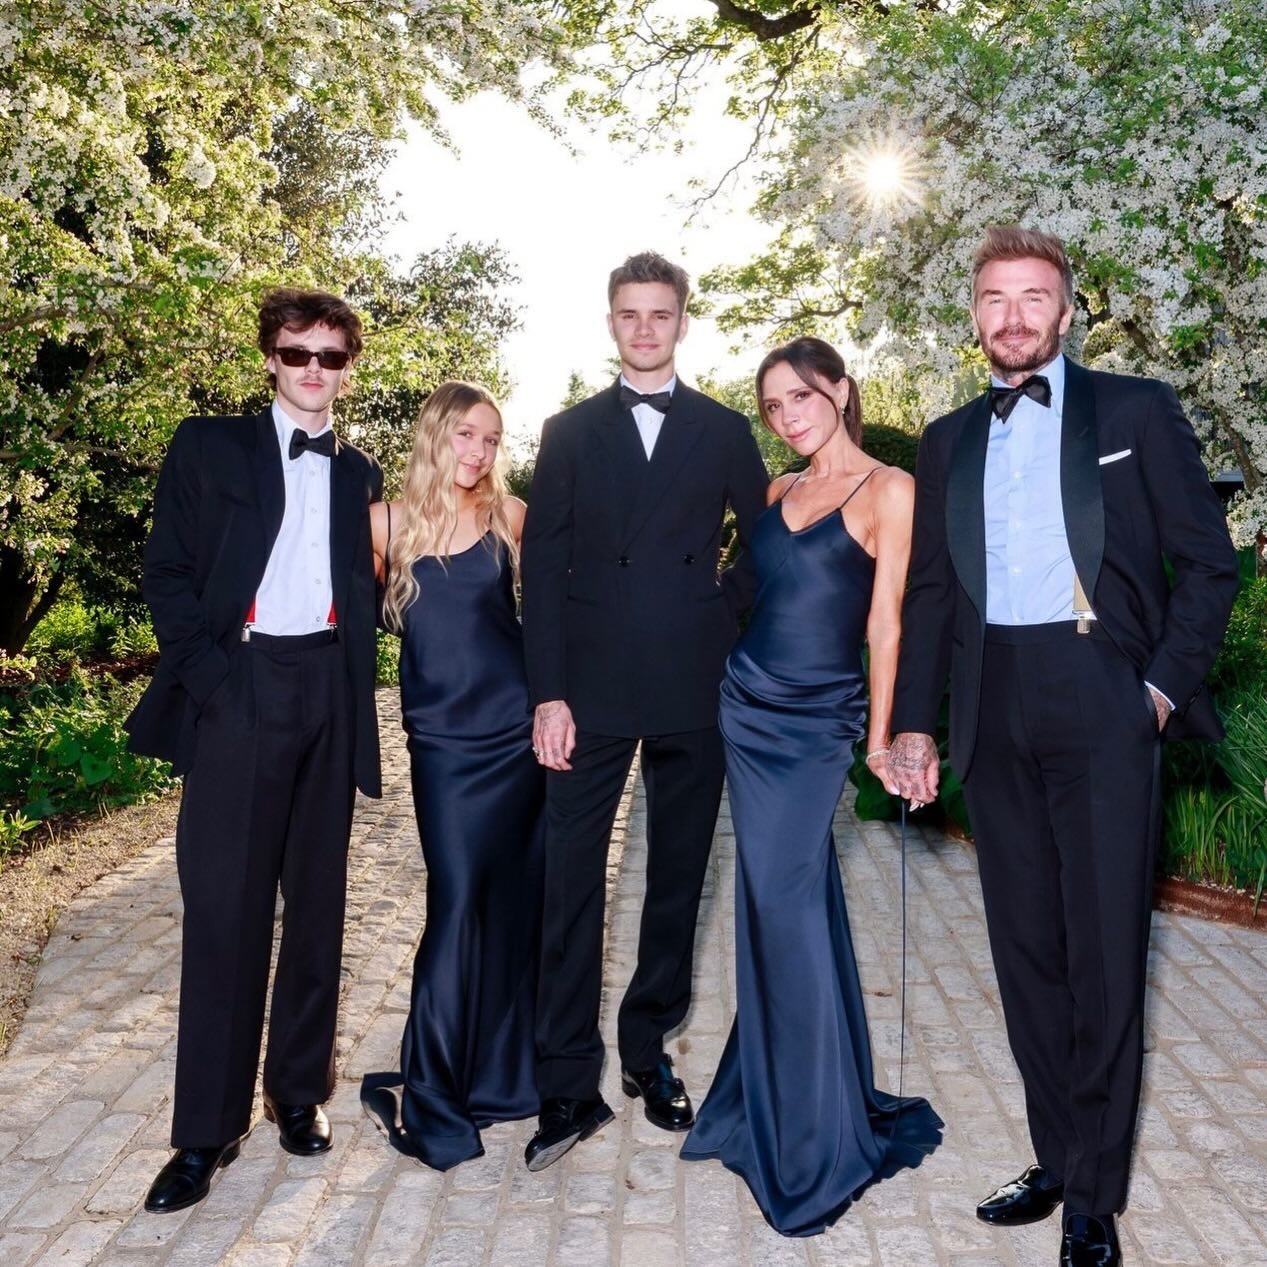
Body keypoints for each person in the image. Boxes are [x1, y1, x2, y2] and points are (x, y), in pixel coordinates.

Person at [887, 225, 1239, 1267]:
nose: (1012, 317)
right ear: (972, 313)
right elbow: (930, 592)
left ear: (1066, 310)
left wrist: (1156, 692)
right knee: (1025, 948)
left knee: (1103, 951)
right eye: (994, 298)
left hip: (1101, 690)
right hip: (991, 697)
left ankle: (1095, 1192)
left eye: (1032, 297)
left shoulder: (1133, 411)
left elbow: (1207, 564)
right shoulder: (946, 438)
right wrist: (913, 720)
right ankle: (1056, 1153)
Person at [125, 289, 383, 1213]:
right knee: (225, 913)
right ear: (269, 357)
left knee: (317, 908)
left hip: (328, 689)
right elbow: (165, 571)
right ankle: (204, 1132)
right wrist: (213, 683)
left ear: (348, 367)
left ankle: (297, 1093)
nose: (314, 368)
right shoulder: (208, 446)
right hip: (239, 686)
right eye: (297, 351)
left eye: (331, 355)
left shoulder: (360, 472)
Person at [679, 336, 943, 1236]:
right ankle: (771, 1094)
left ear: (839, 389)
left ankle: (811, 1136)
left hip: (817, 720)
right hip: (745, 704)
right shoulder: (773, 492)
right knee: (780, 900)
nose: (787, 416)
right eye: (772, 406)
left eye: (799, 396)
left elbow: (885, 622)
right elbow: (753, 595)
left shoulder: (889, 488)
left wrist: (879, 740)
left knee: (782, 902)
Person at [519, 250, 769, 1170]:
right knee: (568, 882)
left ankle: (645, 1048)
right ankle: (563, 1078)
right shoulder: (569, 431)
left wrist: (716, 610)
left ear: (681, 322)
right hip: (585, 690)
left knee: (676, 877)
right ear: (610, 322)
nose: (645, 328)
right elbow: (541, 567)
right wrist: (547, 691)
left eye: (659, 313)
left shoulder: (724, 429)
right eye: (629, 313)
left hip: (689, 684)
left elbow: (766, 545)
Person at [359, 381, 544, 1169]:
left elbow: (555, 617)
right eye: (466, 434)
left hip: (517, 735)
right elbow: (345, 625)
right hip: (441, 742)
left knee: (512, 904)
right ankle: (433, 1091)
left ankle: (500, 1077)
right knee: (457, 901)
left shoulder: (511, 516)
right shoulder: (383, 523)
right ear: (435, 433)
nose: (478, 451)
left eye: (491, 439)